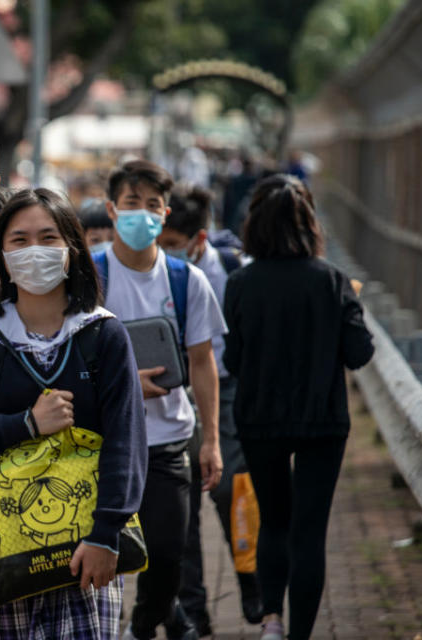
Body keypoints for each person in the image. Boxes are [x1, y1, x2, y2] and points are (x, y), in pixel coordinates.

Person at [0, 188, 147, 638]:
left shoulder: (103, 334)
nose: (35, 252)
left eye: (49, 238)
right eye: (19, 241)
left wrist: (106, 533)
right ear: (1, 255)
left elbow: (127, 443)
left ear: (72, 250)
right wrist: (26, 425)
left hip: (84, 553)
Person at [223, 175, 374, 640]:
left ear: (255, 225)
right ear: (310, 223)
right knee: (309, 531)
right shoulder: (331, 281)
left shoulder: (242, 282)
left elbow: (232, 358)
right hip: (322, 422)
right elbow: (360, 353)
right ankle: (300, 634)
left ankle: (271, 618)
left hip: (260, 419)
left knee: (274, 520)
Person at [94, 160, 225, 640]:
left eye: (153, 205)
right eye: (132, 204)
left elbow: (204, 362)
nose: (142, 214)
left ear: (165, 213)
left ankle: (142, 625)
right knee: (94, 552)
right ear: (112, 209)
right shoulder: (89, 276)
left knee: (169, 555)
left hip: (169, 440)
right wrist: (126, 383)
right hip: (100, 443)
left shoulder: (187, 280)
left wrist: (210, 440)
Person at [157, 183, 262, 636]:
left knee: (232, 493)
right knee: (184, 511)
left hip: (228, 393)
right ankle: (193, 607)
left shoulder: (234, 273)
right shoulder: (159, 277)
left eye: (173, 247)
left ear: (200, 241)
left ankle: (251, 581)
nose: (164, 254)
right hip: (175, 394)